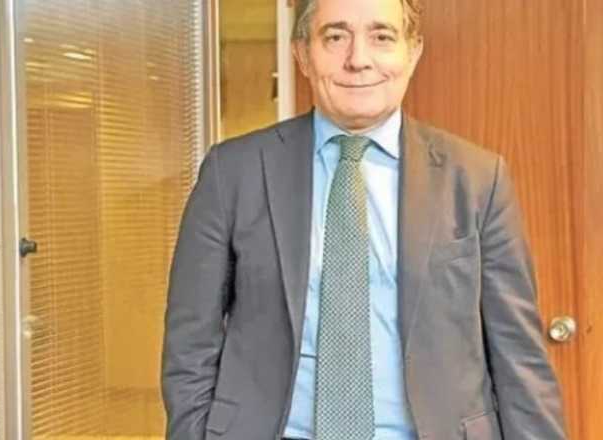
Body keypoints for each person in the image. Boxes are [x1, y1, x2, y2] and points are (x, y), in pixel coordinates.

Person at [161, 0, 567, 438]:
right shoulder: (232, 173)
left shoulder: (477, 180)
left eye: (382, 37)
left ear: (413, 52)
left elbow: (518, 356)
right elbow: (190, 345)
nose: (358, 59)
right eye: (335, 37)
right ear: (302, 53)